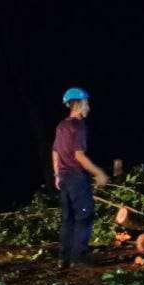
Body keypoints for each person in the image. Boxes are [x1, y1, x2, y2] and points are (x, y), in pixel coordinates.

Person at [53, 87, 109, 270]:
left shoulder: (61, 125)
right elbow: (79, 156)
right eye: (86, 103)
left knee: (68, 218)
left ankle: (63, 259)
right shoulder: (78, 126)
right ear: (78, 104)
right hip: (76, 177)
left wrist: (56, 175)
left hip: (64, 178)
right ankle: (79, 257)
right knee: (84, 215)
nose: (89, 107)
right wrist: (98, 172)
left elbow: (54, 152)